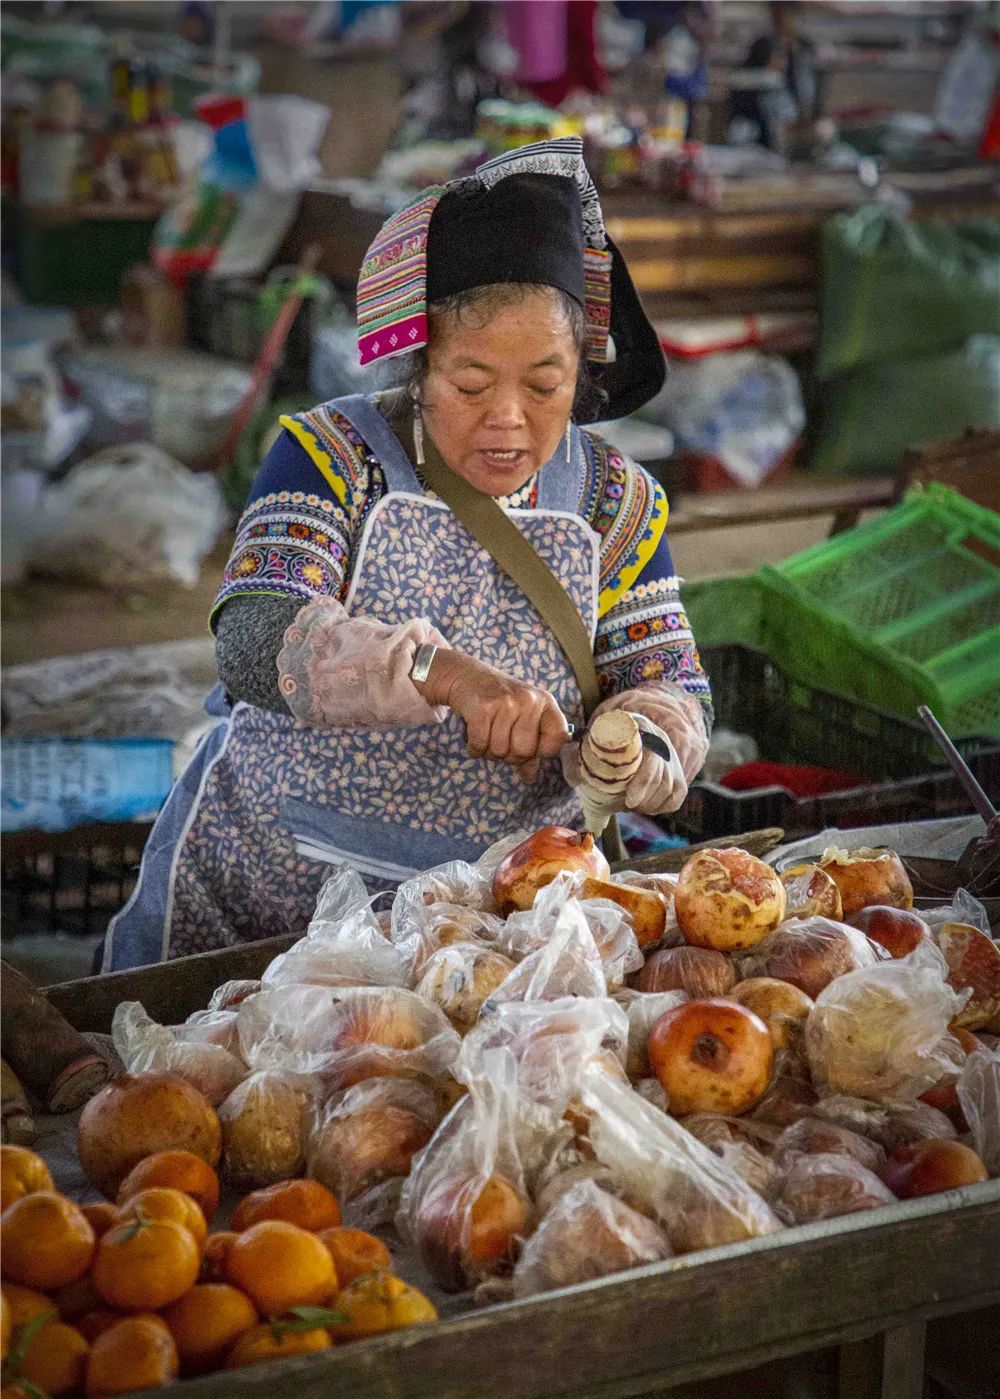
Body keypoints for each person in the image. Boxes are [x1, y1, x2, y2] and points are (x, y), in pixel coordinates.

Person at [103, 137, 712, 971]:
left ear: (582, 373)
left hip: (487, 936)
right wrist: (448, 676)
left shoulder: (617, 501)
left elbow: (672, 680)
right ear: (421, 366)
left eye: (544, 385)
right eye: (470, 384)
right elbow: (252, 637)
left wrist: (641, 743)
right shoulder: (331, 456)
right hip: (272, 908)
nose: (507, 418)